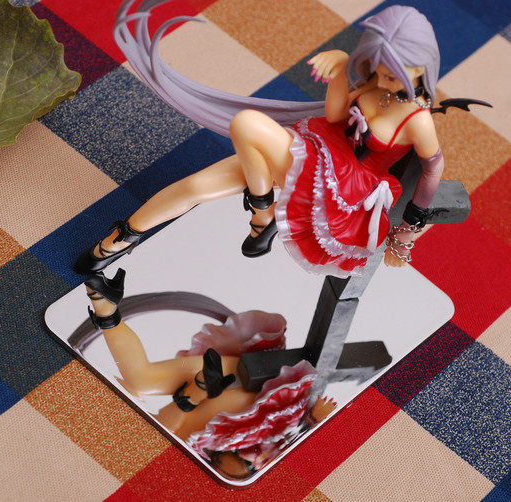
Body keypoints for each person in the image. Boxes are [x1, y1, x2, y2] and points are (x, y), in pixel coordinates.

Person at [75, 3, 444, 278]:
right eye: (380, 70)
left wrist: (407, 233)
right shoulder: (375, 86)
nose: (384, 81)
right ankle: (119, 240)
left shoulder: (418, 120)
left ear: (420, 68)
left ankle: (262, 212)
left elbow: (432, 170)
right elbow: (334, 118)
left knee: (248, 123)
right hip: (314, 150)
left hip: (341, 189)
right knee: (197, 185)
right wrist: (341, 72)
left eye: (393, 75)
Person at [83, 269, 335, 478]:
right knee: (167, 436)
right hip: (252, 392)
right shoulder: (257, 450)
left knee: (141, 382)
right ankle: (198, 389)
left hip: (210, 397)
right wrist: (312, 422)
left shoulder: (201, 450)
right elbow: (293, 457)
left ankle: (106, 307)